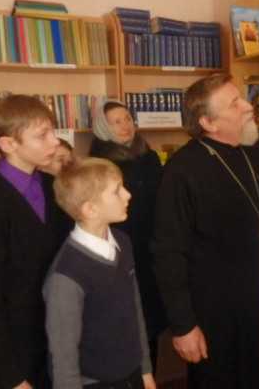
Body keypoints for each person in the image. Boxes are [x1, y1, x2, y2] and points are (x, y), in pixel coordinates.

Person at [152, 74, 259, 388]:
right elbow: (168, 252)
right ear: (208, 122)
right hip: (215, 313)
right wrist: (183, 326)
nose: (248, 107)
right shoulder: (182, 169)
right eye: (235, 103)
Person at [0, 94, 74, 389]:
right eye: (42, 135)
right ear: (8, 144)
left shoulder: (52, 187)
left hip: (53, 339)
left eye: (53, 131)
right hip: (14, 354)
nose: (55, 142)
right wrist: (9, 375)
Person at [44, 157, 156, 389]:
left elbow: (135, 311)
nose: (128, 195)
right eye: (117, 191)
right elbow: (63, 357)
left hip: (133, 375)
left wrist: (146, 370)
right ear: (90, 209)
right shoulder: (66, 275)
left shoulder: (123, 243)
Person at [89, 99, 166, 370]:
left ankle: (150, 376)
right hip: (120, 248)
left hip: (151, 248)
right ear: (103, 128)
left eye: (127, 119)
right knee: (124, 322)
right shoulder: (99, 163)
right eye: (116, 122)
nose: (125, 126)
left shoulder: (149, 156)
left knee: (150, 322)